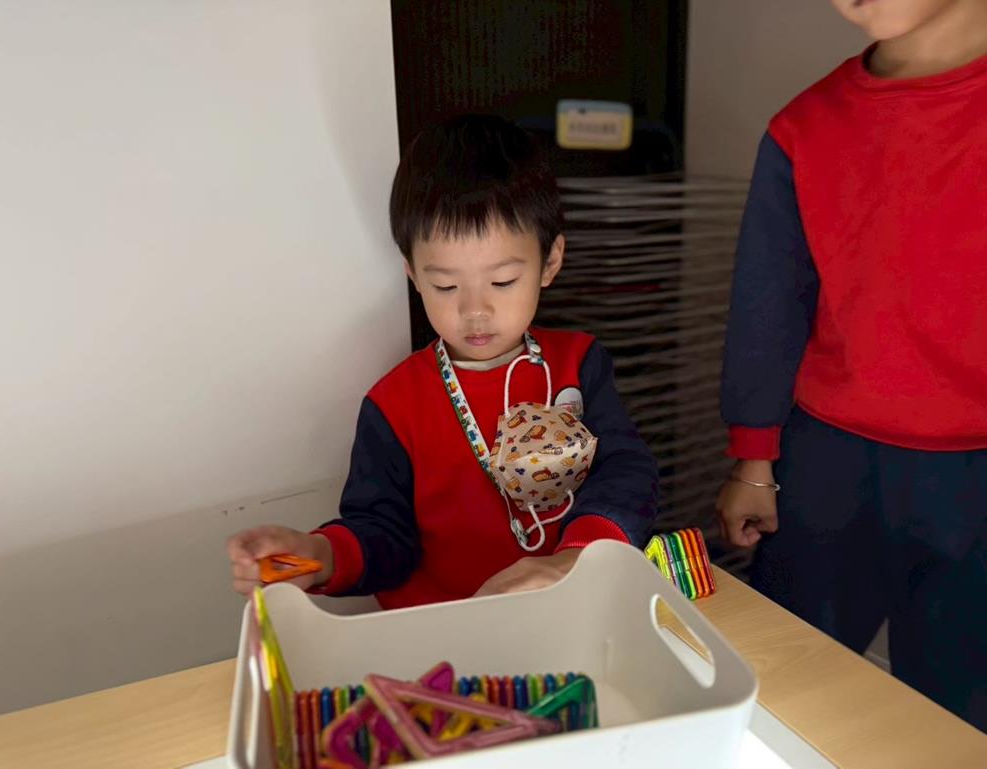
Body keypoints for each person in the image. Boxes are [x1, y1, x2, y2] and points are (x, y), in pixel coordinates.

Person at [229, 114, 658, 610]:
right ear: (413, 274)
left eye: (502, 282)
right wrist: (316, 556)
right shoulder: (394, 405)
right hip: (441, 633)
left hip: (566, 612)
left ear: (550, 262)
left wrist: (576, 557)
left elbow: (627, 472)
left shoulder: (578, 365)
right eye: (446, 286)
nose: (475, 310)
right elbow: (381, 533)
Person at [717, 0, 987, 731]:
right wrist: (753, 458)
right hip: (829, 468)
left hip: (976, 481)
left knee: (959, 723)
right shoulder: (803, 129)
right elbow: (770, 304)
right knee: (779, 699)